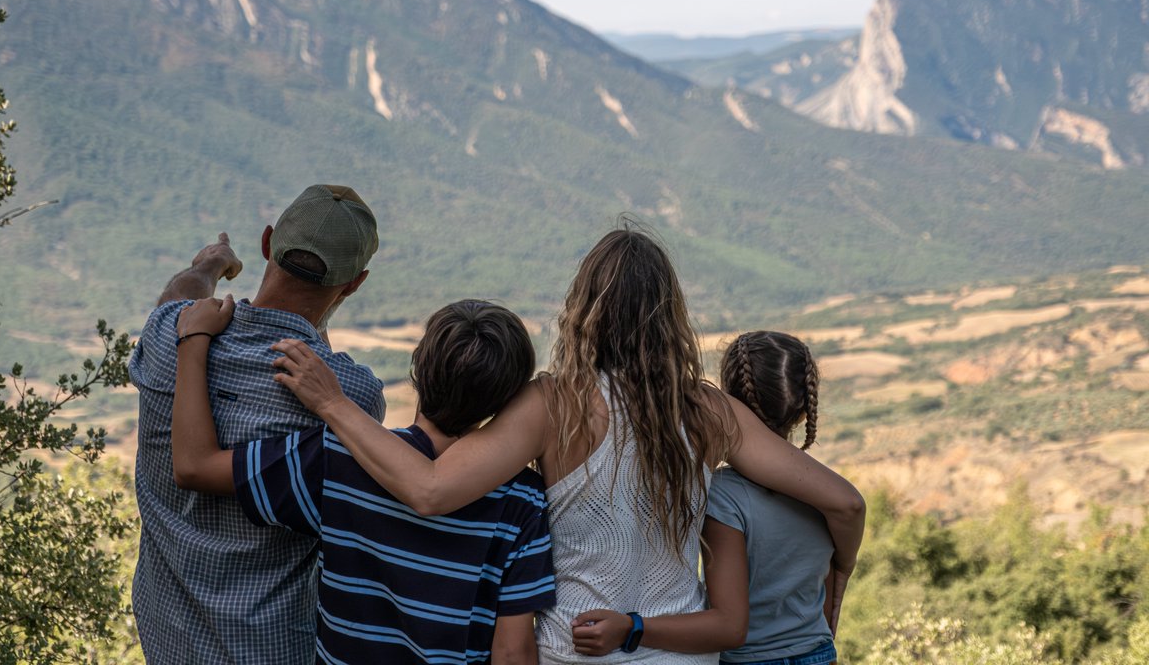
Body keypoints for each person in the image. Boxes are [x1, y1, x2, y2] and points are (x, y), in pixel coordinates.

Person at [268, 226, 865, 664]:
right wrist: (837, 583)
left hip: (569, 651)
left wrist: (333, 405)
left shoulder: (553, 404)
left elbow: (429, 490)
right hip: (679, 655)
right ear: (669, 316)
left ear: (584, 310)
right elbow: (845, 503)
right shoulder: (710, 410)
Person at [171, 297, 556, 664]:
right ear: (506, 402)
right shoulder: (522, 499)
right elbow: (512, 653)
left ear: (418, 368)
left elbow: (194, 467)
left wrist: (193, 340)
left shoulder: (338, 460)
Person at [129, 184, 386, 664]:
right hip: (271, 646)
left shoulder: (174, 336)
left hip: (166, 639)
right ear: (354, 283)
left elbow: (174, 297)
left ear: (267, 242)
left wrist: (209, 265)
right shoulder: (349, 397)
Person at [571, 331, 842, 665]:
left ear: (729, 401)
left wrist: (632, 627)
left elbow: (729, 622)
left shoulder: (723, 495)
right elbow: (827, 603)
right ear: (804, 410)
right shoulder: (824, 496)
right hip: (818, 654)